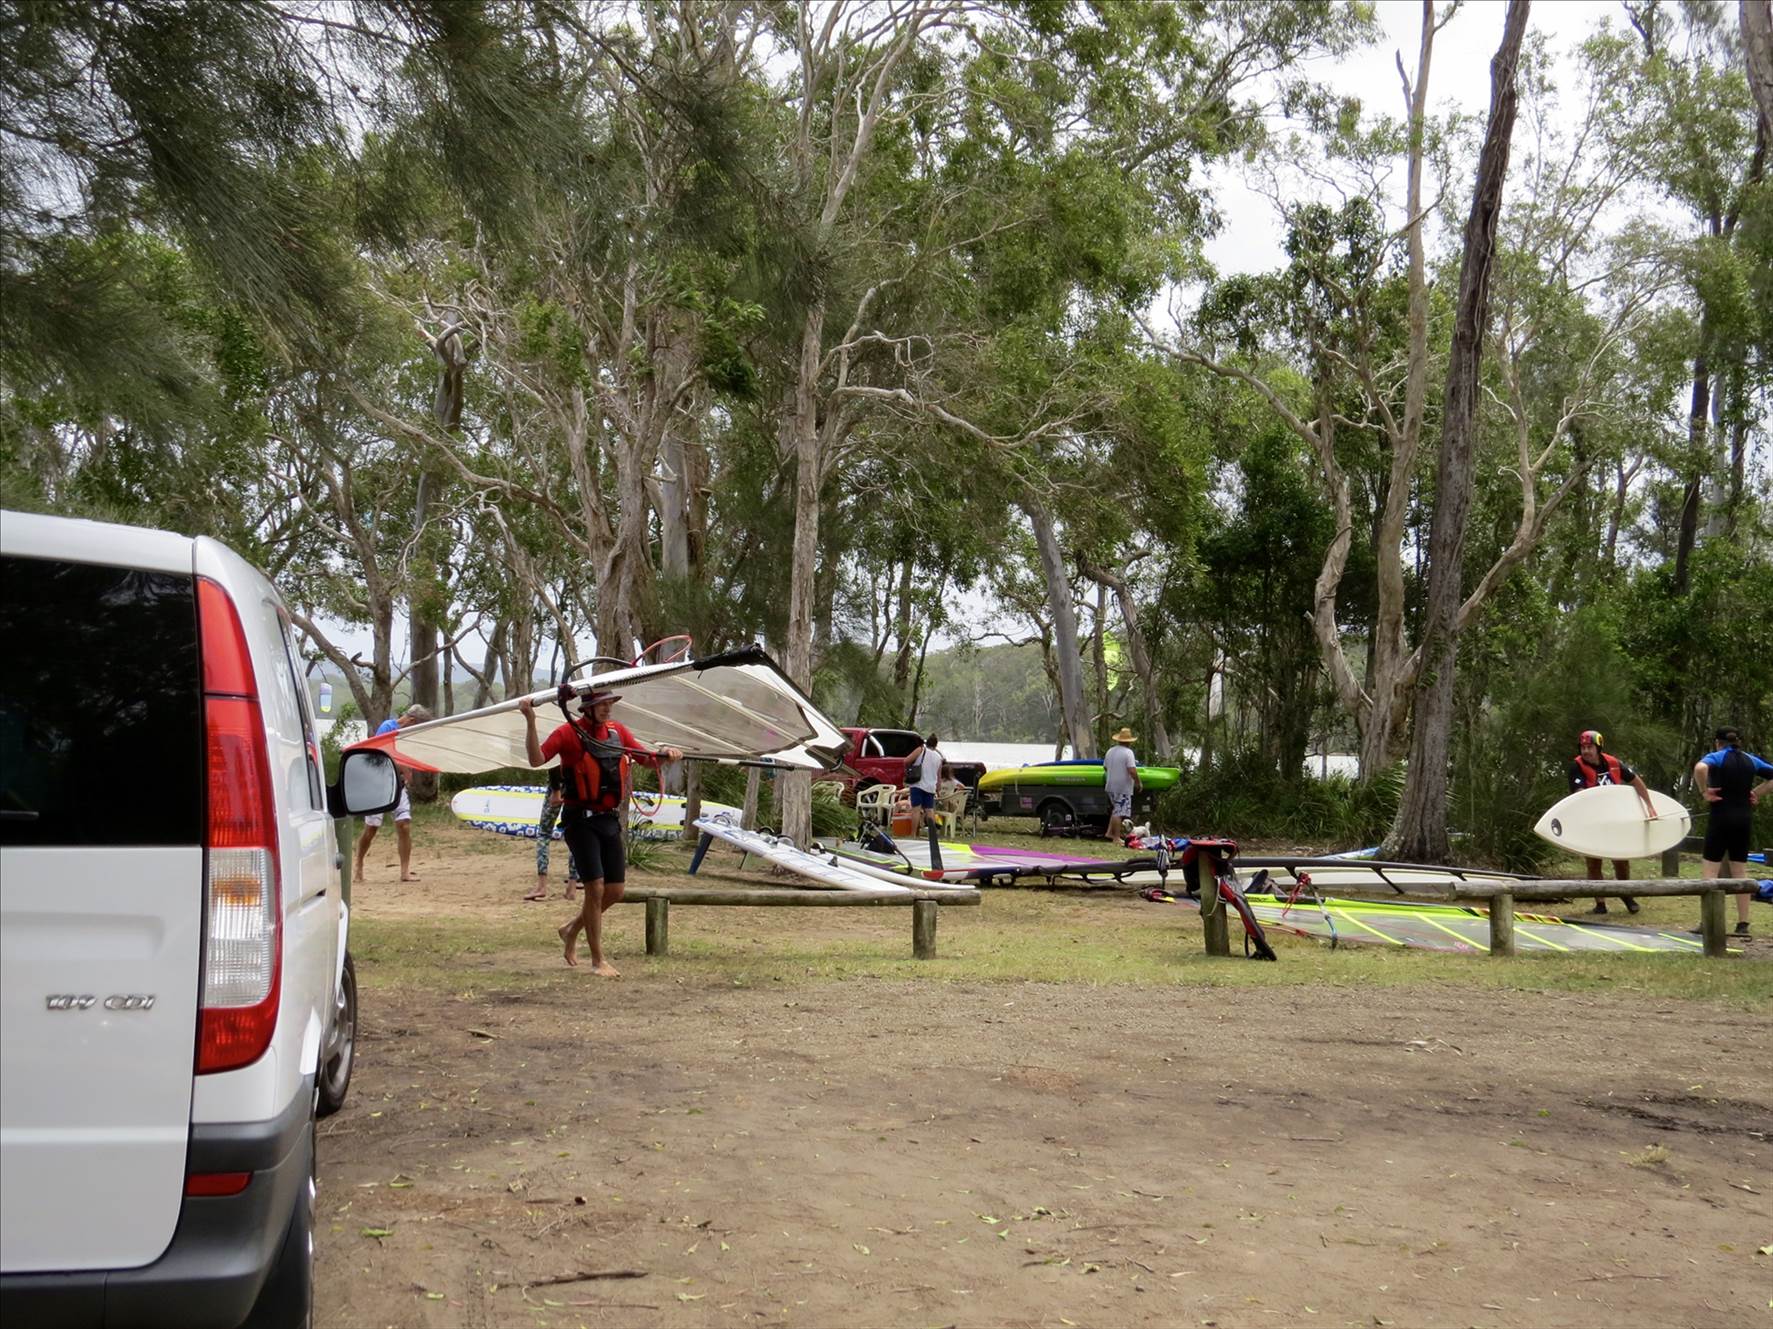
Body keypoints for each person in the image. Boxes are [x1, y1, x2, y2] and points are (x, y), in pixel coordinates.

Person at [519, 688, 682, 975]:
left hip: (608, 819)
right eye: (601, 704)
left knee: (615, 891)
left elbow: (646, 759)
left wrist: (666, 755)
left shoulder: (618, 732)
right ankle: (598, 961)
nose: (607, 708)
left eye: (609, 703)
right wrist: (530, 720)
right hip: (579, 821)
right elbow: (536, 759)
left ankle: (571, 929)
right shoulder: (567, 733)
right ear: (587, 708)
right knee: (594, 888)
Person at [1693, 726, 1773, 938]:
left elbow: (1700, 768)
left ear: (1718, 742)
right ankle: (1743, 924)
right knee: (1740, 872)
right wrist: (1757, 793)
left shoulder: (1717, 757)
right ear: (1738, 742)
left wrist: (1704, 791)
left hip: (1720, 819)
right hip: (1743, 820)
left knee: (1710, 872)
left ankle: (1708, 922)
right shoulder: (1750, 760)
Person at [1568, 728, 1658, 915]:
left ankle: (1626, 894)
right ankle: (1600, 903)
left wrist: (1649, 805)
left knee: (1621, 860)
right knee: (1594, 863)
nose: (1586, 751)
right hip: (1591, 821)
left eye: (1590, 747)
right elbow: (1579, 793)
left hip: (1615, 819)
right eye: (1583, 747)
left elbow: (1636, 781)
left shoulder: (1614, 763)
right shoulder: (1576, 766)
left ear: (1598, 748)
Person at [354, 703, 432, 883]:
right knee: (371, 828)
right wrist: (405, 769)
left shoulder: (408, 736)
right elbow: (383, 755)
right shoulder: (387, 727)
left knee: (404, 825)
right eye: (417, 725)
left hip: (398, 785)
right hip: (378, 785)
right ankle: (359, 864)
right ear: (411, 721)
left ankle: (405, 872)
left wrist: (408, 772)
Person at [526, 766, 581, 903]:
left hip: (561, 784)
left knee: (544, 834)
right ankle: (572, 887)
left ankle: (542, 886)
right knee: (576, 834)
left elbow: (553, 763)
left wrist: (555, 789)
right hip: (578, 785)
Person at [903, 734, 947, 834]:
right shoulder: (939, 757)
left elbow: (906, 761)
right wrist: (938, 789)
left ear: (926, 742)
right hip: (930, 787)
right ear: (936, 745)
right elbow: (939, 776)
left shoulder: (921, 750)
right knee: (929, 810)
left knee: (916, 810)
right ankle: (932, 834)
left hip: (917, 784)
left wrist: (911, 766)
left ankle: (913, 834)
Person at [1104, 727, 1142, 843]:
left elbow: (1105, 767)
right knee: (1119, 812)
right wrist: (1138, 782)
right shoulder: (1128, 753)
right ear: (1129, 742)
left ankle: (1109, 833)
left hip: (1110, 785)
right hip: (1122, 787)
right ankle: (1116, 837)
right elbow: (1132, 770)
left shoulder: (1110, 751)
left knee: (1116, 810)